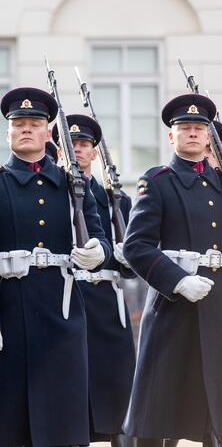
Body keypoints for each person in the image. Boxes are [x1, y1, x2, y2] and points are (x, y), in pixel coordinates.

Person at [0, 87, 111, 447]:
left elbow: (100, 236)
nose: (26, 129)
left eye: (35, 123)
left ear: (49, 133)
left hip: (62, 317)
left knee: (60, 422)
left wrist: (98, 252)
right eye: (19, 124)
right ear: (8, 132)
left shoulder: (72, 184)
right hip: (10, 314)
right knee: (5, 424)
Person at [123, 94, 222, 447]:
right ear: (171, 136)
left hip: (217, 305)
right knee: (160, 413)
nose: (193, 133)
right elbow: (136, 246)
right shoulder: (158, 180)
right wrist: (178, 281)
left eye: (199, 128)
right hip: (174, 308)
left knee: (215, 408)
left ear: (209, 136)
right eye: (185, 128)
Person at [53, 114, 136, 447]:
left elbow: (131, 264)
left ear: (95, 152)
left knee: (116, 388)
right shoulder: (52, 195)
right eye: (71, 145)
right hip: (69, 296)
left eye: (84, 145)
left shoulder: (117, 200)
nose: (78, 151)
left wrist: (116, 254)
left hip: (106, 301)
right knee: (70, 388)